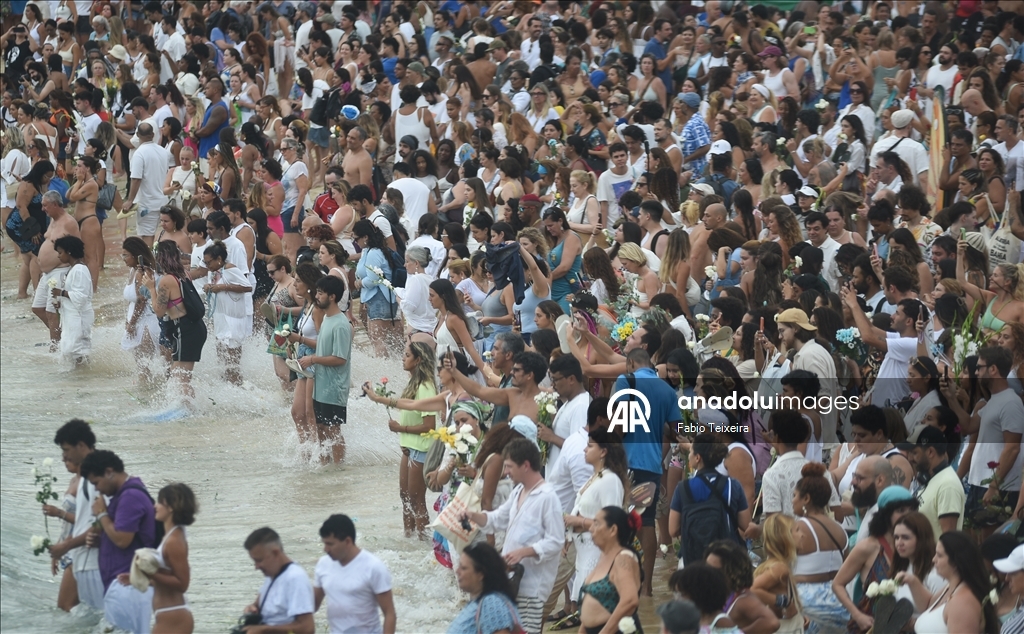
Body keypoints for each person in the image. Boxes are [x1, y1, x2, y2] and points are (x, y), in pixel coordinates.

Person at [462, 438, 564, 634]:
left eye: (509, 466)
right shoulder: (518, 491)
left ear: (525, 465)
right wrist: (473, 515)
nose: (506, 472)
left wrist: (524, 552)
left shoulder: (547, 497)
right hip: (512, 580)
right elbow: (498, 519)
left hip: (532, 586)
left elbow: (556, 542)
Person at [79, 449, 156, 634]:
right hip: (125, 585)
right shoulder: (124, 495)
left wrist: (103, 514)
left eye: (96, 482)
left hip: (128, 586)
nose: (97, 489)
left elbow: (122, 540)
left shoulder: (130, 496)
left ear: (109, 471)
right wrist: (103, 540)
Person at [832, 486, 918, 633]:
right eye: (900, 510)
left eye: (911, 510)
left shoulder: (917, 547)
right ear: (886, 514)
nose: (907, 515)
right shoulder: (868, 547)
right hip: (870, 626)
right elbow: (837, 584)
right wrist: (857, 614)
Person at [898, 531, 1001, 634]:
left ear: (956, 562)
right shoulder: (952, 587)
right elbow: (928, 606)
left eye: (939, 555)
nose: (934, 560)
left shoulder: (963, 603)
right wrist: (912, 581)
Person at [48, 419, 103, 610]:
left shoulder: (98, 475)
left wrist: (67, 545)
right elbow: (85, 520)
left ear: (81, 446)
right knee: (71, 609)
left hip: (94, 559)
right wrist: (64, 544)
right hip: (80, 554)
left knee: (69, 608)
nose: (64, 456)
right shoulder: (85, 475)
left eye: (66, 450)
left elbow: (102, 521)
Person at [298, 276, 352, 464]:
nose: (316, 296)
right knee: (320, 427)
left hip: (334, 387)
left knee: (333, 430)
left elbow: (340, 358)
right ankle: (325, 465)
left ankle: (338, 468)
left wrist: (312, 359)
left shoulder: (341, 324)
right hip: (321, 384)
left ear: (332, 296)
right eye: (317, 291)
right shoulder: (327, 319)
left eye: (321, 293)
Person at [314, 514, 396, 634]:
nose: (325, 549)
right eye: (324, 543)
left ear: (347, 541)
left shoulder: (373, 567)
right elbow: (312, 606)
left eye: (330, 544)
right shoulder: (323, 564)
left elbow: (389, 614)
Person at [578, 506, 642, 634]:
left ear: (613, 530)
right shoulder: (604, 556)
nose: (590, 529)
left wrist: (605, 632)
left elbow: (630, 600)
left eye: (596, 524)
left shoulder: (623, 558)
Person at [240, 527, 315, 634]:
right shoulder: (271, 575)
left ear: (275, 553)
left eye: (259, 560)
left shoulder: (295, 578)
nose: (256, 567)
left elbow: (307, 628)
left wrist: (264, 630)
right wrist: (251, 608)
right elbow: (258, 605)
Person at [32, 190, 80, 349]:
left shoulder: (69, 222)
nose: (42, 209)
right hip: (47, 273)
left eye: (45, 205)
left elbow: (78, 248)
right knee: (37, 308)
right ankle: (62, 334)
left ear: (54, 204)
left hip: (60, 272)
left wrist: (77, 273)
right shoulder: (52, 220)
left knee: (53, 313)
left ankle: (56, 346)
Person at [201, 241, 253, 385]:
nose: (207, 266)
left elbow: (247, 286)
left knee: (232, 362)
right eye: (205, 263)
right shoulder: (214, 272)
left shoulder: (230, 268)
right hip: (220, 319)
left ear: (219, 259)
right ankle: (226, 387)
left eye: (208, 262)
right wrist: (210, 287)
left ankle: (237, 387)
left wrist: (223, 287)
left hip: (233, 320)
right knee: (222, 360)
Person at [148, 483, 197, 634]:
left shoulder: (174, 541)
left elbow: (183, 583)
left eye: (159, 502)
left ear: (171, 507)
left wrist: (150, 572)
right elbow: (166, 574)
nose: (155, 506)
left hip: (173, 616)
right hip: (167, 614)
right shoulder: (171, 535)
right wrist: (137, 577)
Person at [448, 542, 525, 634]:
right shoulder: (479, 601)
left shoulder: (492, 602)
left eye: (464, 568)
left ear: (481, 574)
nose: (457, 571)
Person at [907, 426, 966, 535]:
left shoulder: (948, 485)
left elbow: (948, 538)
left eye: (914, 453)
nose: (910, 458)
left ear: (930, 452)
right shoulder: (931, 479)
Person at [124, 123, 172, 246]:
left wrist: (130, 200)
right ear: (153, 135)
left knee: (147, 237)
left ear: (138, 135)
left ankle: (149, 264)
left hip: (147, 204)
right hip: (163, 200)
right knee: (166, 234)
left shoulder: (139, 153)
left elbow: (136, 179)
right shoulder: (163, 151)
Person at [51, 236, 93, 365]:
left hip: (79, 317)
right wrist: (60, 301)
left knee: (78, 350)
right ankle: (78, 378)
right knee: (70, 349)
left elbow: (81, 296)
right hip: (71, 317)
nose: (58, 256)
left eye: (60, 252)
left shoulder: (79, 270)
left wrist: (61, 293)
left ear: (69, 252)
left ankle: (83, 377)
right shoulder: (73, 269)